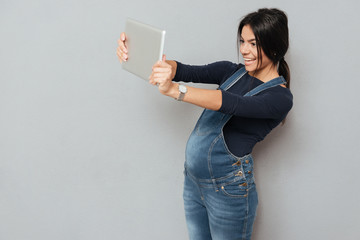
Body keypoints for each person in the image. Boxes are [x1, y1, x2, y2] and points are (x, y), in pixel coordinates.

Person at [117, 8, 293, 240]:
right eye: (242, 41)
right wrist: (138, 53)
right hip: (193, 181)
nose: (244, 50)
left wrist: (174, 90)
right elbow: (183, 69)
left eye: (253, 43)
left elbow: (230, 103)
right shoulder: (232, 72)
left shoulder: (280, 98)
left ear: (275, 46)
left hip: (228, 190)